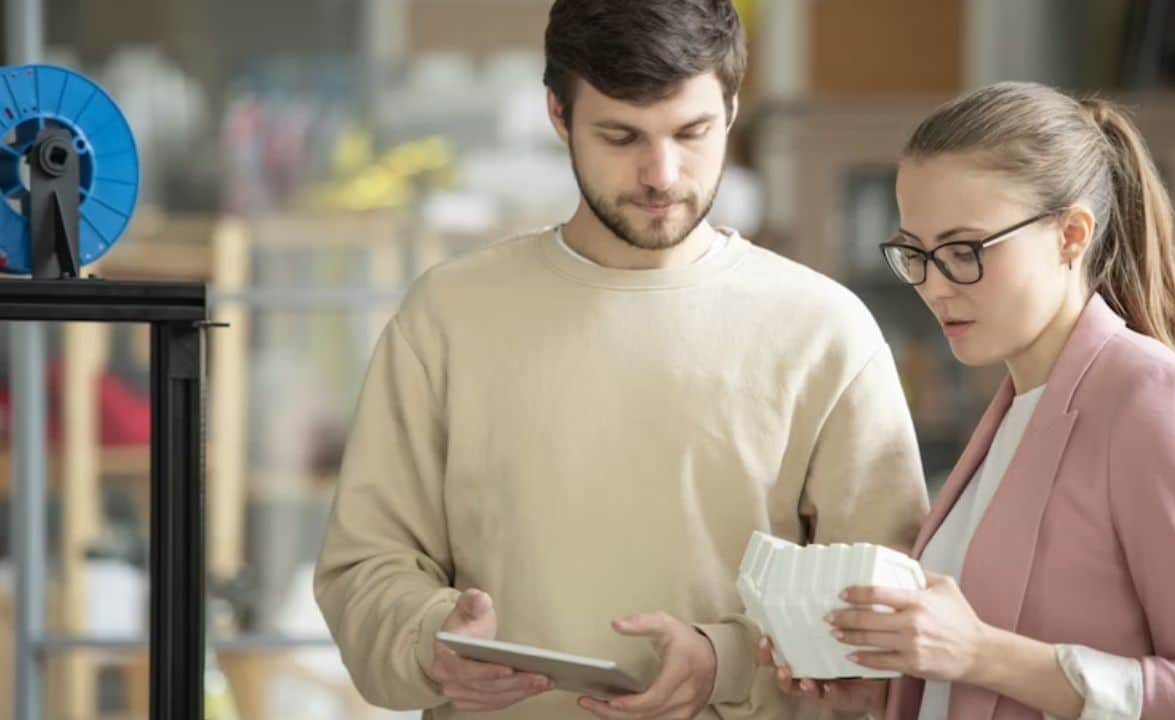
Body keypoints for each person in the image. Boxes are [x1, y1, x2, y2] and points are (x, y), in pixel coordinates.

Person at [313, 1, 929, 718]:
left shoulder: (826, 334)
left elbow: (887, 617)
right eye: (620, 136)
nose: (661, 174)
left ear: (731, 109)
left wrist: (724, 661)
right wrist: (430, 643)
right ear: (558, 115)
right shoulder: (448, 315)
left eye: (691, 132)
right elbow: (366, 566)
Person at [759, 81, 1175, 719]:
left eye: (965, 251)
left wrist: (977, 655)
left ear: (1071, 235)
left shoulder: (1154, 407)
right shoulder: (1013, 410)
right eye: (915, 254)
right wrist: (895, 686)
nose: (935, 286)